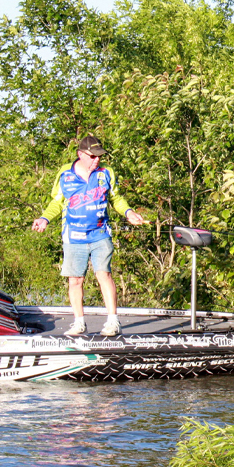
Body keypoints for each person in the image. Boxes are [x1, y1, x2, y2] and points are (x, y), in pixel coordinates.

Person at [31, 135, 147, 336]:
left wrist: (129, 213)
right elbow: (57, 202)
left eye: (99, 156)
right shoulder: (65, 174)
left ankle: (113, 321)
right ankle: (79, 323)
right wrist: (44, 218)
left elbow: (116, 199)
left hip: (100, 233)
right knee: (75, 280)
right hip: (73, 236)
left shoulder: (105, 173)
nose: (96, 160)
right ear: (80, 154)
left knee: (104, 274)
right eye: (92, 156)